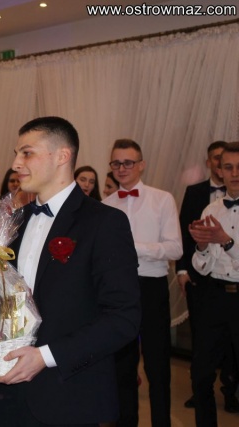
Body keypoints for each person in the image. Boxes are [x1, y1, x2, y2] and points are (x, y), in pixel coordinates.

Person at [0, 116, 140, 427]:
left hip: (67, 393)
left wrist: (45, 356)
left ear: (62, 156)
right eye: (16, 154)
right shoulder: (13, 222)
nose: (15, 164)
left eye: (27, 153)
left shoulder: (104, 223)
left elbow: (123, 318)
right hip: (6, 395)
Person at [103, 138, 182, 427]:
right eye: (116, 163)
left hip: (151, 288)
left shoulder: (162, 199)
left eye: (128, 162)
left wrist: (134, 248)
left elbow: (175, 249)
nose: (122, 168)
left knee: (157, 367)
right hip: (118, 291)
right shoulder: (106, 205)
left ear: (141, 165)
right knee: (122, 368)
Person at [177, 141, 239, 412]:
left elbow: (227, 247)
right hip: (214, 296)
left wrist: (226, 240)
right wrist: (202, 247)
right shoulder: (211, 210)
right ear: (219, 171)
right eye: (228, 167)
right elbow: (203, 266)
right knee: (201, 374)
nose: (235, 173)